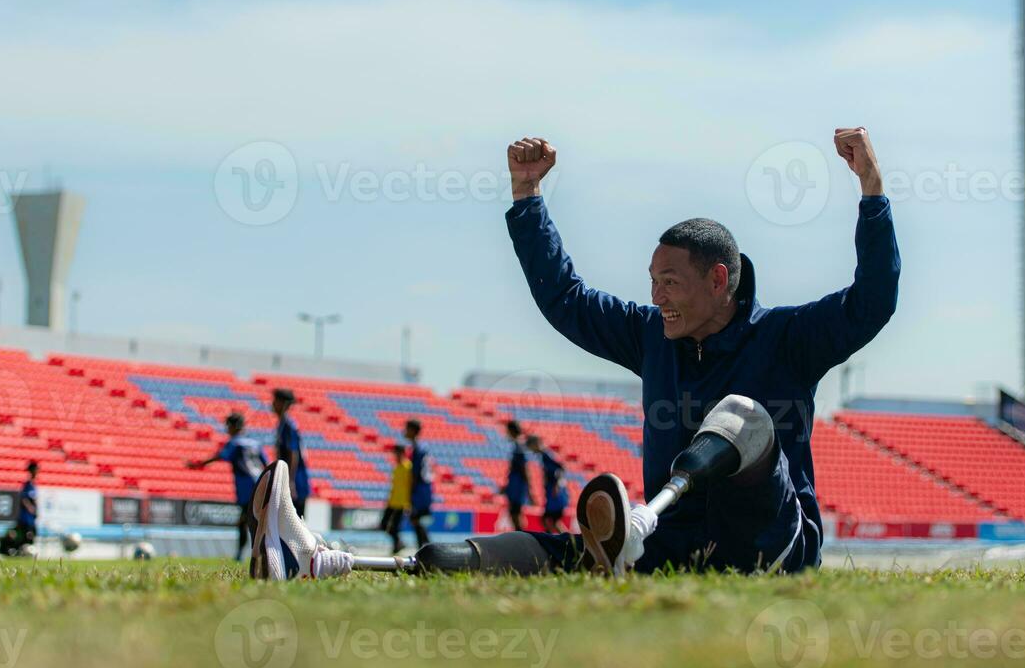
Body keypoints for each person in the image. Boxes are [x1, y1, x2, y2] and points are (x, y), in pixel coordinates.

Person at [247, 129, 900, 580]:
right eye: (651, 281)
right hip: (671, 547)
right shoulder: (653, 335)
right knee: (548, 553)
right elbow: (566, 298)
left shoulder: (785, 339)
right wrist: (527, 198)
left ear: (719, 280)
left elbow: (872, 301)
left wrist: (871, 189)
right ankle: (322, 559)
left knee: (743, 417)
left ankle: (633, 529)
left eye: (669, 282)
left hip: (772, 547)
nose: (656, 296)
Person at [188, 413, 267, 560]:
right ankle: (254, 555)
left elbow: (220, 456)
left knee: (246, 522)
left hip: (246, 488)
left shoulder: (235, 443)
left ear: (233, 426)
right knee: (253, 521)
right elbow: (267, 465)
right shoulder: (255, 443)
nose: (226, 430)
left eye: (228, 426)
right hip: (261, 485)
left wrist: (199, 464)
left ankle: (250, 555)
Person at [272, 388, 310, 517]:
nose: (272, 404)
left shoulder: (288, 425)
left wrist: (290, 481)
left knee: (295, 522)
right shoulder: (283, 424)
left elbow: (293, 453)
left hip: (296, 481)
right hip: (290, 479)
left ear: (282, 403)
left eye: (275, 401)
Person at [526, 435, 569, 533]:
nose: (531, 450)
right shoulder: (543, 456)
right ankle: (565, 539)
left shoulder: (547, 455)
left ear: (536, 443)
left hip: (555, 494)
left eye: (531, 447)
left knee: (550, 520)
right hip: (551, 493)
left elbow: (561, 468)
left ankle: (567, 540)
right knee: (549, 520)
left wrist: (557, 485)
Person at [402, 419, 432, 548]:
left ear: (413, 431)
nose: (404, 431)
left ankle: (426, 547)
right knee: (415, 520)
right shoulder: (421, 447)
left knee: (415, 519)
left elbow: (416, 473)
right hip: (423, 489)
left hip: (419, 490)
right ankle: (425, 546)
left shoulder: (418, 449)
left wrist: (410, 492)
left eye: (407, 428)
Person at [380, 444, 413, 553]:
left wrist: (409, 503)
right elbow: (394, 486)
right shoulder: (397, 468)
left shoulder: (408, 467)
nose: (395, 456)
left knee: (395, 527)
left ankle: (397, 546)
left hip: (403, 503)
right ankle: (399, 543)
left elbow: (410, 486)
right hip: (392, 502)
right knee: (383, 525)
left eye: (397, 453)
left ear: (403, 453)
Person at [503, 420, 530, 531]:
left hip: (517, 486)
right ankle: (520, 535)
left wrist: (528, 487)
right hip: (515, 484)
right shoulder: (517, 445)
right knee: (514, 513)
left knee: (515, 513)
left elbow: (524, 468)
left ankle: (521, 537)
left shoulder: (519, 446)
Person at [16, 460, 40, 547]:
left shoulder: (33, 484)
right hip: (26, 517)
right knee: (27, 535)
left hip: (31, 517)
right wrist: (30, 508)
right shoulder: (28, 484)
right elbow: (24, 498)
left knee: (32, 534)